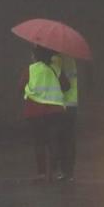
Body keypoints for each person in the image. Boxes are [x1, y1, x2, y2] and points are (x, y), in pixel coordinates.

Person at [23, 44, 67, 181]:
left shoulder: (31, 69)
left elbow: (20, 86)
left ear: (35, 56)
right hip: (55, 110)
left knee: (39, 143)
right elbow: (66, 86)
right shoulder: (55, 68)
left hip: (35, 111)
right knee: (53, 141)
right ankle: (54, 172)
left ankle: (41, 174)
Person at [50, 50, 80, 180]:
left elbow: (60, 83)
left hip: (60, 104)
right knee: (70, 139)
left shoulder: (56, 60)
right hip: (72, 103)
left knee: (60, 139)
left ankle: (62, 171)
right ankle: (70, 172)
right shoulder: (71, 59)